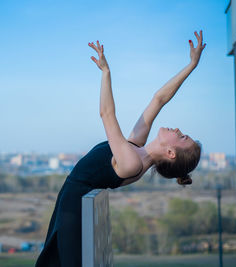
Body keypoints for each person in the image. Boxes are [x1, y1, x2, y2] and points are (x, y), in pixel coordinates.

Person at [35, 30, 206, 267]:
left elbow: (106, 114)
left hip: (73, 210)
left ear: (171, 153)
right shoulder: (136, 147)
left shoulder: (132, 163)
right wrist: (192, 65)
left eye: (182, 136)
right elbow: (159, 99)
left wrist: (106, 73)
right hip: (69, 201)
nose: (177, 130)